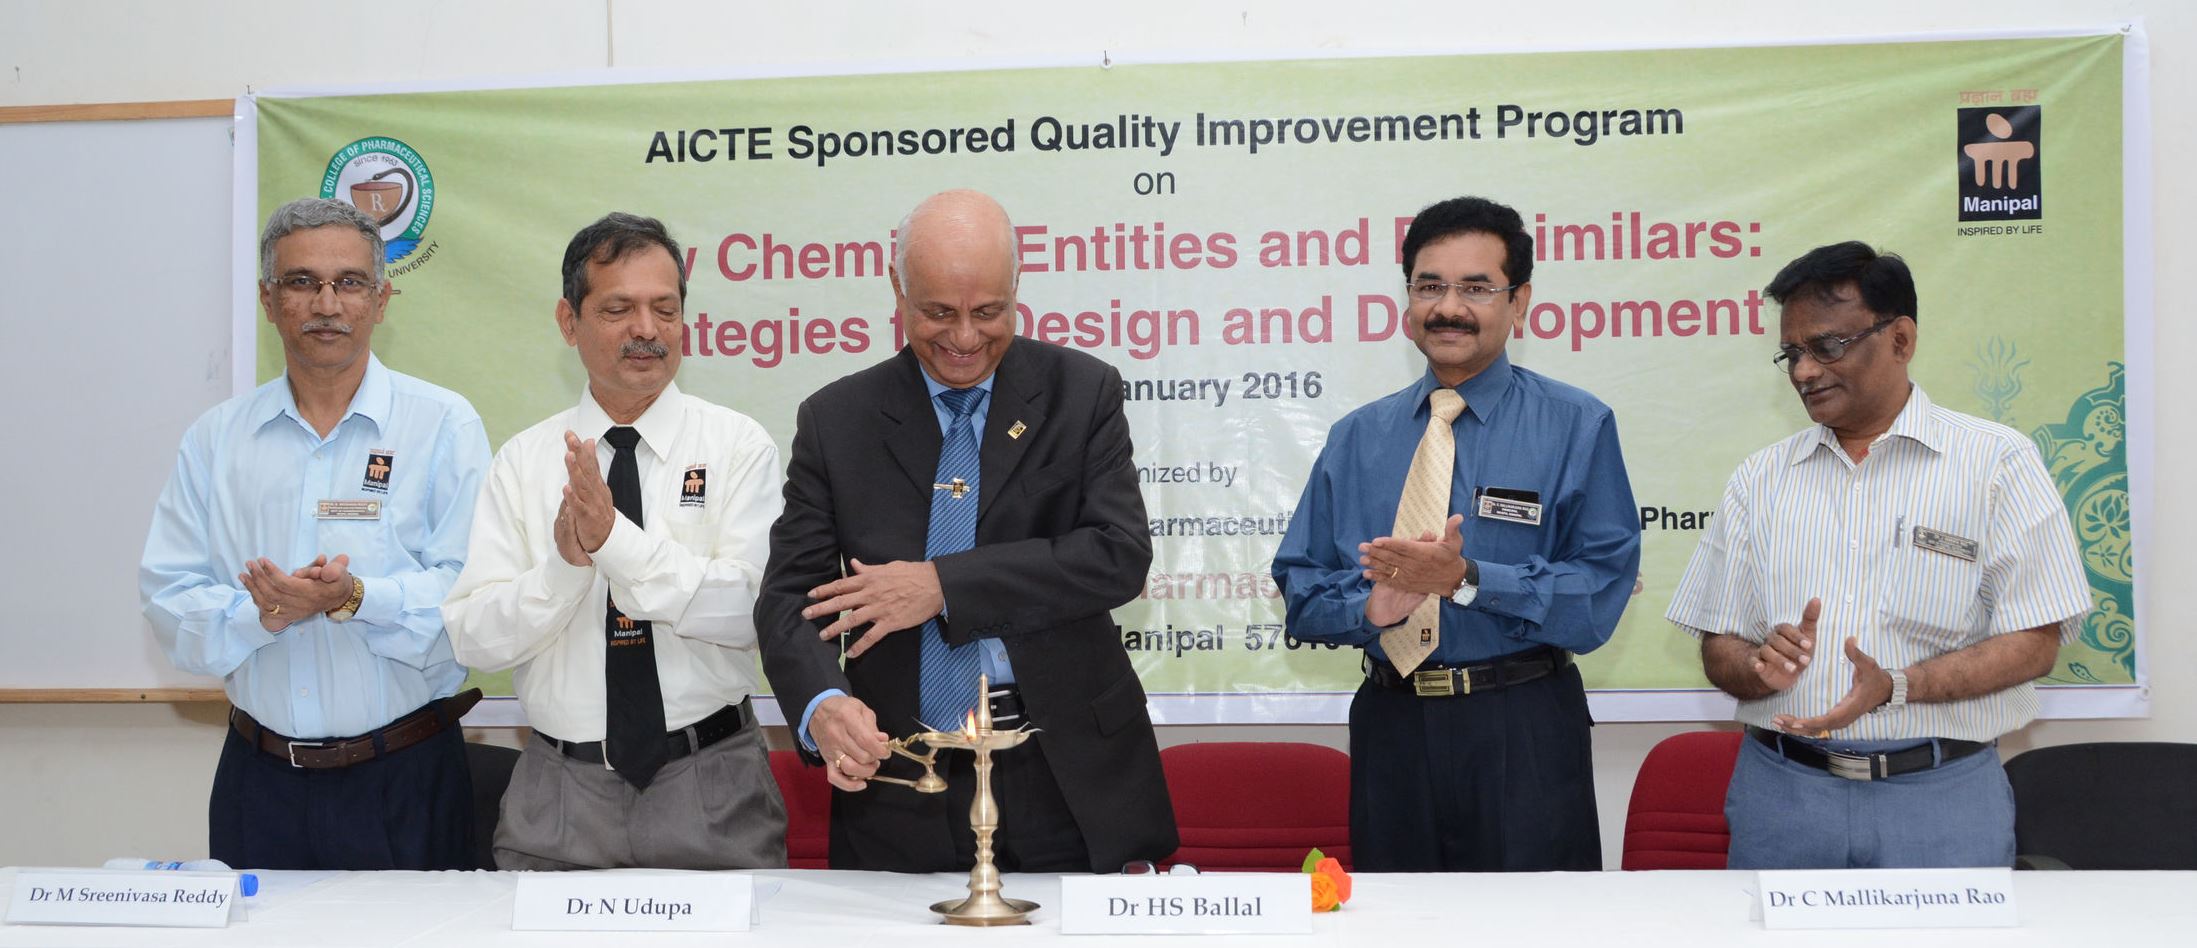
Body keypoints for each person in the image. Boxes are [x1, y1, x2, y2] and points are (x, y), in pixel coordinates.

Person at [757, 189, 1176, 873]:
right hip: (900, 770)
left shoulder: (1082, 392)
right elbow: (788, 600)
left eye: (988, 312)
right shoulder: (836, 421)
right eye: (937, 313)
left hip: (1062, 767)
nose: (963, 338)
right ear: (897, 288)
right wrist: (824, 705)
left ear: (1017, 286)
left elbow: (1117, 554)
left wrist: (943, 586)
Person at [1666, 241, 2089, 869]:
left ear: (1901, 339)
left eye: (1827, 346)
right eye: (1792, 353)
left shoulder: (1996, 463)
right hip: (1785, 798)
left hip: (1941, 798)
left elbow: (2035, 642)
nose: (1804, 372)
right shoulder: (1759, 479)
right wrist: (1756, 666)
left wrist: (1896, 686)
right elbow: (1718, 644)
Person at [1271, 195, 1641, 872]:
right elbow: (1300, 590)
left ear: (1519, 301)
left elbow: (1596, 593)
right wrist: (1372, 606)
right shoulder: (1356, 438)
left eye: (1475, 288)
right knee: (1395, 919)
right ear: (1407, 300)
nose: (1448, 308)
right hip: (1392, 726)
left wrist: (1466, 581)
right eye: (1429, 286)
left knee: (1535, 920)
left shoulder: (1576, 425)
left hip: (1522, 726)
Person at [141, 197, 489, 870]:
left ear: (381, 300)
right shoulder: (216, 440)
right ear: (269, 300)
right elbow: (167, 603)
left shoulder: (444, 425)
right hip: (259, 780)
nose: (327, 304)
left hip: (408, 777)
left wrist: (355, 597)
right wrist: (261, 614)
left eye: (349, 282)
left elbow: (473, 601)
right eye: (302, 282)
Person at [443, 212, 787, 870]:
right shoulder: (523, 462)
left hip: (711, 784)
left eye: (665, 308)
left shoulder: (738, 446)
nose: (647, 330)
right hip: (560, 793)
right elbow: (475, 639)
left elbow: (754, 612)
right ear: (568, 321)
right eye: (618, 309)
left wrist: (615, 544)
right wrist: (566, 568)